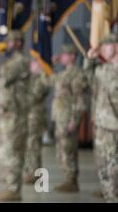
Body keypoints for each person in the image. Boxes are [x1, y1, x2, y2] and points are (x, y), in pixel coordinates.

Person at [0, 30, 30, 201]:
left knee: (13, 151)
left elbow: (3, 79)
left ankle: (14, 189)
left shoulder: (19, 62)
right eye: (7, 41)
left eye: (10, 42)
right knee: (5, 151)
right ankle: (9, 186)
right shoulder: (10, 61)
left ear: (19, 43)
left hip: (15, 113)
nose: (6, 44)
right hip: (6, 113)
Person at [85, 33, 118, 202]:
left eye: (106, 45)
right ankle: (110, 196)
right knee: (104, 165)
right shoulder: (102, 70)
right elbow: (88, 77)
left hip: (114, 126)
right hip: (102, 125)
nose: (102, 49)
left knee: (112, 166)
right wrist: (90, 58)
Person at [51, 44, 87, 193]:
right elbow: (49, 81)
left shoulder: (77, 74)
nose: (62, 57)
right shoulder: (63, 73)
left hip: (68, 117)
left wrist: (75, 120)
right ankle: (68, 178)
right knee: (61, 150)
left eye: (65, 54)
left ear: (72, 56)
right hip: (60, 117)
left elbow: (79, 99)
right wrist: (52, 64)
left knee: (68, 149)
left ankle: (72, 180)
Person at [22, 58, 50, 184]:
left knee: (33, 145)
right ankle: (32, 171)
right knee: (30, 145)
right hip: (29, 116)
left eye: (34, 63)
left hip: (35, 117)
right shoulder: (32, 79)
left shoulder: (40, 80)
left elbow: (33, 96)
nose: (31, 65)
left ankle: (34, 172)